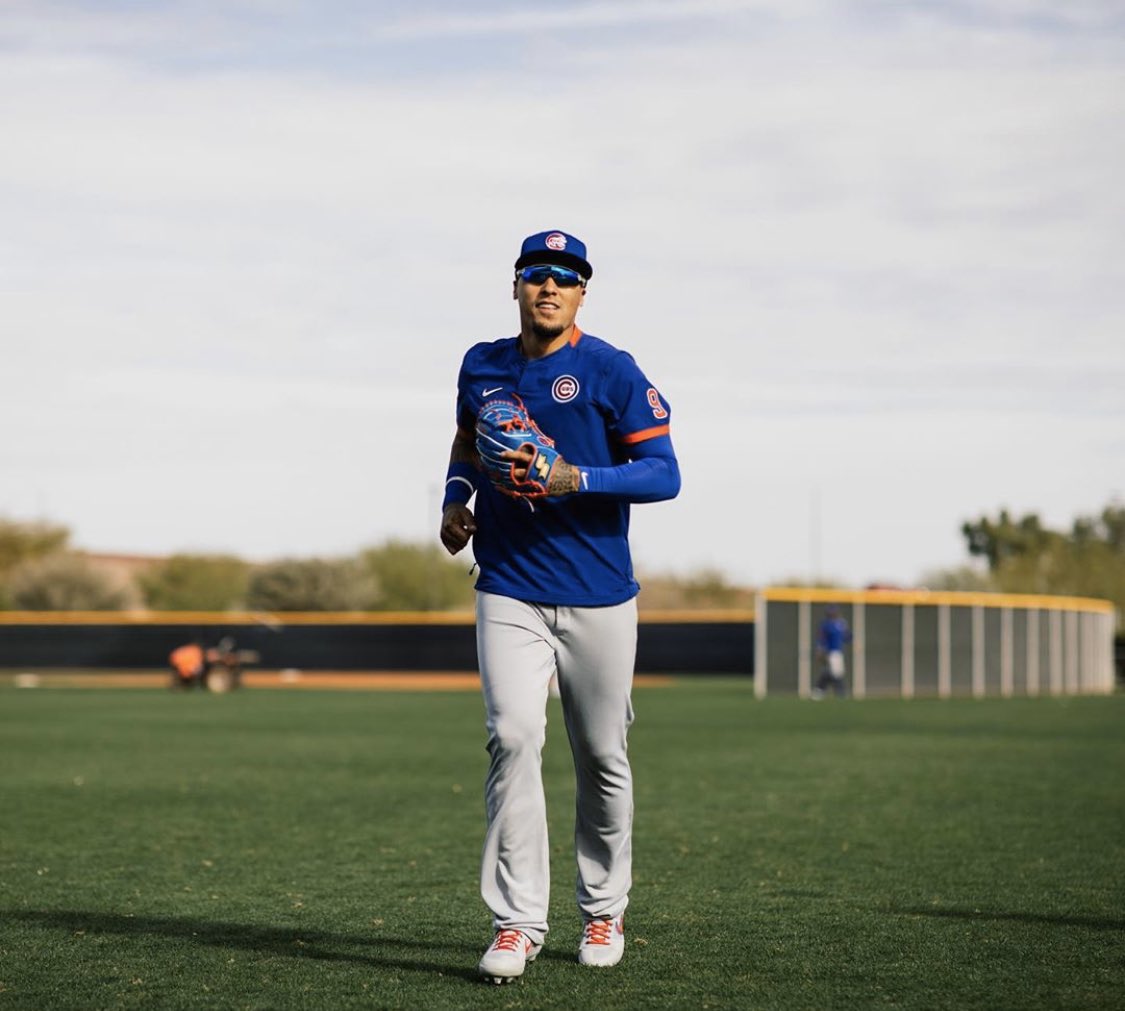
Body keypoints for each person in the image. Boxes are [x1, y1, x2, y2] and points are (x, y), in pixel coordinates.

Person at [439, 229, 681, 984]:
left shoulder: (609, 369)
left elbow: (662, 474)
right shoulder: (482, 365)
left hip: (599, 592)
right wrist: (456, 499)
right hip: (508, 582)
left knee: (601, 754)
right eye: (536, 274)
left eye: (565, 277)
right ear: (514, 286)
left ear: (582, 292)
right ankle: (516, 923)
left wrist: (578, 477)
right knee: (511, 737)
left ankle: (603, 907)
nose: (549, 286)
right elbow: (466, 443)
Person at [812, 605, 852, 699]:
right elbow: (821, 639)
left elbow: (847, 637)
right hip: (830, 652)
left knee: (830, 673)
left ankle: (819, 690)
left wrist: (848, 634)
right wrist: (819, 650)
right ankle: (840, 693)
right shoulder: (826, 625)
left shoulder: (841, 623)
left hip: (839, 652)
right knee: (836, 673)